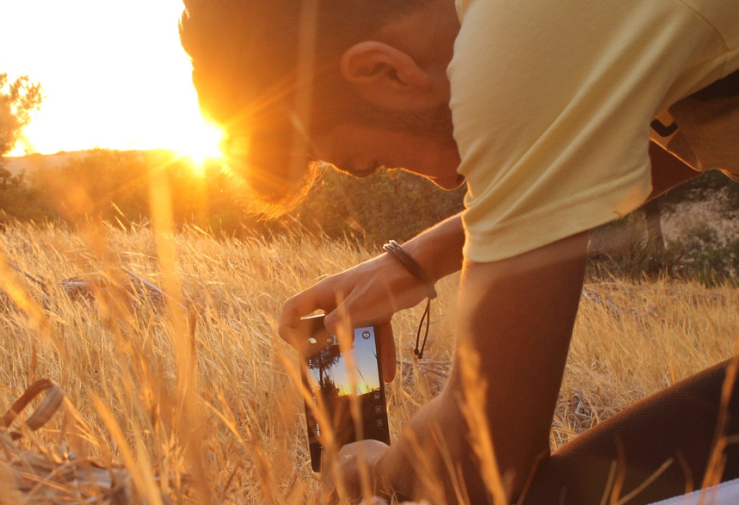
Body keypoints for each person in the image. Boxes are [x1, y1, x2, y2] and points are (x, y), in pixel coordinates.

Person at [179, 0, 739, 503]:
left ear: (383, 70)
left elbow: (482, 463)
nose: (446, 179)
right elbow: (637, 141)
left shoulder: (508, 58)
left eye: (367, 162)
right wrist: (418, 259)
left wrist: (365, 468)